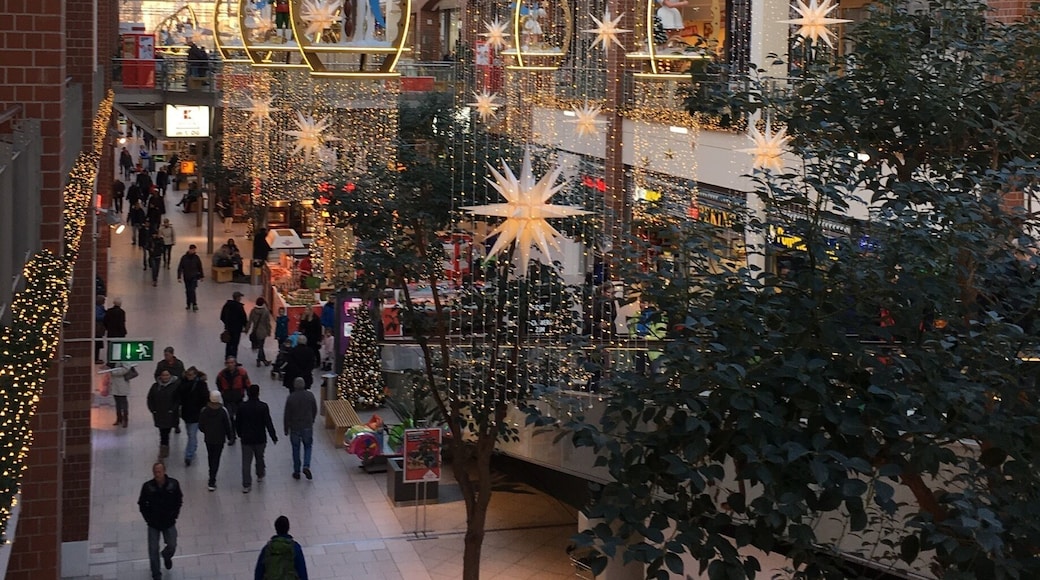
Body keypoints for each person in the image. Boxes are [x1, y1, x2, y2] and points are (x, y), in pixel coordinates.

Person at [138, 462, 183, 580]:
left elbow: (179, 499)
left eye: (159, 471)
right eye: (155, 472)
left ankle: (167, 555)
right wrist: (148, 518)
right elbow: (142, 504)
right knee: (153, 549)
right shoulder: (148, 487)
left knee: (172, 544)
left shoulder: (173, 484)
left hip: (169, 521)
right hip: (153, 523)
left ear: (164, 471)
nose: (157, 474)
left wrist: (174, 514)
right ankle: (156, 574)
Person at [237, 384, 278, 493]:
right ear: (258, 393)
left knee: (246, 462)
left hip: (246, 438)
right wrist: (273, 436)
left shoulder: (242, 406)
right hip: (260, 438)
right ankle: (260, 474)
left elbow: (238, 422)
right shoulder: (263, 406)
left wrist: (239, 434)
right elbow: (268, 422)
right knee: (260, 457)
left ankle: (246, 484)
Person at [198, 390, 235, 491]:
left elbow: (200, 425)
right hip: (219, 439)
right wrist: (229, 436)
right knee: (216, 458)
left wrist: (206, 431)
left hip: (209, 439)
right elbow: (228, 425)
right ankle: (212, 478)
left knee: (210, 456)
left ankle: (211, 474)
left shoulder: (204, 410)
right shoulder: (223, 411)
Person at [254, 515, 308, 580]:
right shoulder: (295, 547)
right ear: (288, 528)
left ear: (276, 528)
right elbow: (302, 571)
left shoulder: (267, 548)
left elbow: (259, 572)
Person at [284, 377, 317, 480]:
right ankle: (306, 466)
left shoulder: (291, 397)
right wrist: (312, 419)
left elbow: (287, 415)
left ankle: (296, 471)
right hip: (307, 425)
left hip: (295, 427)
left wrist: (286, 428)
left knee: (295, 448)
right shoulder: (310, 395)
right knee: (308, 446)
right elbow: (314, 409)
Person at [178, 367, 209, 467]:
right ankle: (193, 446)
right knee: (190, 433)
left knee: (191, 434)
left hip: (196, 414)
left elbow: (205, 398)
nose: (189, 377)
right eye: (188, 375)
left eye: (191, 375)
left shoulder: (201, 385)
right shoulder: (183, 383)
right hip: (186, 413)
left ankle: (188, 455)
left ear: (195, 375)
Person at [147, 369, 181, 459]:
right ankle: (164, 448)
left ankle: (163, 450)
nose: (165, 377)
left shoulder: (175, 386)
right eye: (163, 375)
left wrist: (172, 409)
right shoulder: (155, 386)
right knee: (163, 432)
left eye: (167, 375)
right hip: (159, 414)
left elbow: (178, 400)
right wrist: (153, 409)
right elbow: (150, 398)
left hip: (170, 414)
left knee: (165, 432)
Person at [216, 356, 250, 432]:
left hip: (238, 398)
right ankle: (232, 434)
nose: (230, 364)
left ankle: (240, 430)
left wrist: (249, 396)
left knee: (240, 416)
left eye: (232, 362)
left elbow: (247, 384)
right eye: (228, 363)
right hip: (227, 399)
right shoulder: (221, 374)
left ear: (235, 363)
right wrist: (223, 393)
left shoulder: (242, 373)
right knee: (229, 416)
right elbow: (219, 384)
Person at [247, 297, 274, 367]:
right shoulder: (265, 312)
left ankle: (262, 360)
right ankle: (261, 360)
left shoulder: (253, 311)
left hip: (255, 331)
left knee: (260, 346)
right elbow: (267, 323)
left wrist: (247, 329)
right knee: (261, 346)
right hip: (263, 332)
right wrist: (269, 331)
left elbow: (249, 322)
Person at [176, 244, 205, 311]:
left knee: (192, 290)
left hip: (194, 276)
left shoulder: (196, 258)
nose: (193, 251)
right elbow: (180, 267)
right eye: (192, 250)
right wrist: (179, 277)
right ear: (189, 249)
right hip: (187, 277)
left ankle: (194, 304)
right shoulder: (184, 258)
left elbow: (200, 267)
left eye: (194, 250)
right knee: (188, 291)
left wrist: (201, 276)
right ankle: (188, 304)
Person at [221, 291, 249, 359]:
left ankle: (227, 357)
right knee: (235, 344)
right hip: (237, 329)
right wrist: (245, 326)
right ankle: (233, 360)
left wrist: (227, 323)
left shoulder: (227, 305)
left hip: (228, 328)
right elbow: (243, 318)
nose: (240, 299)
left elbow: (222, 316)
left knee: (229, 343)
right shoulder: (239, 307)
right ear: (237, 298)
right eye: (240, 297)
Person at [108, 362, 136, 428]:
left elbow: (126, 368)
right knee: (117, 403)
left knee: (123, 403)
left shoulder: (123, 358)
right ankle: (119, 419)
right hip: (114, 384)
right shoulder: (113, 358)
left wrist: (113, 371)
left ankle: (125, 420)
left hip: (122, 384)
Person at [94, 295, 107, 364]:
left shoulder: (101, 307)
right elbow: (97, 317)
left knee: (98, 344)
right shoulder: (97, 308)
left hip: (100, 329)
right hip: (97, 329)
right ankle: (95, 358)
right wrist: (105, 315)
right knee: (97, 344)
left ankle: (97, 358)